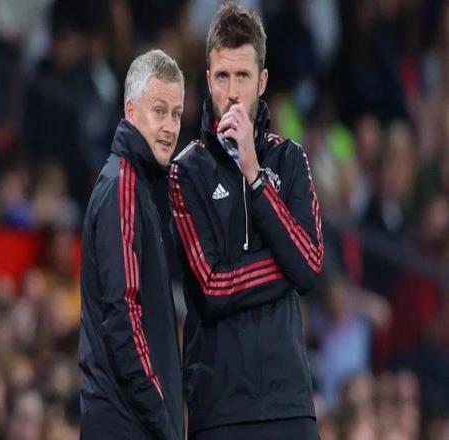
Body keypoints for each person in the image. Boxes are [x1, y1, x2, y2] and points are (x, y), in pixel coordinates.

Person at [169, 3, 323, 439]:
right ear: (208, 80)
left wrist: (255, 176)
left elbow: (310, 268)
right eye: (222, 76)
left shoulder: (289, 159)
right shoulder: (187, 171)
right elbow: (213, 287)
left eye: (243, 76)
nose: (233, 92)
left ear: (262, 81)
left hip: (289, 401)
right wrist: (284, 266)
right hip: (220, 406)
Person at [79, 49, 185, 440]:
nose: (170, 126)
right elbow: (123, 313)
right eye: (159, 111)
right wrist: (161, 417)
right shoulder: (122, 184)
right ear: (130, 110)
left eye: (176, 114)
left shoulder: (139, 184)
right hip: (128, 424)